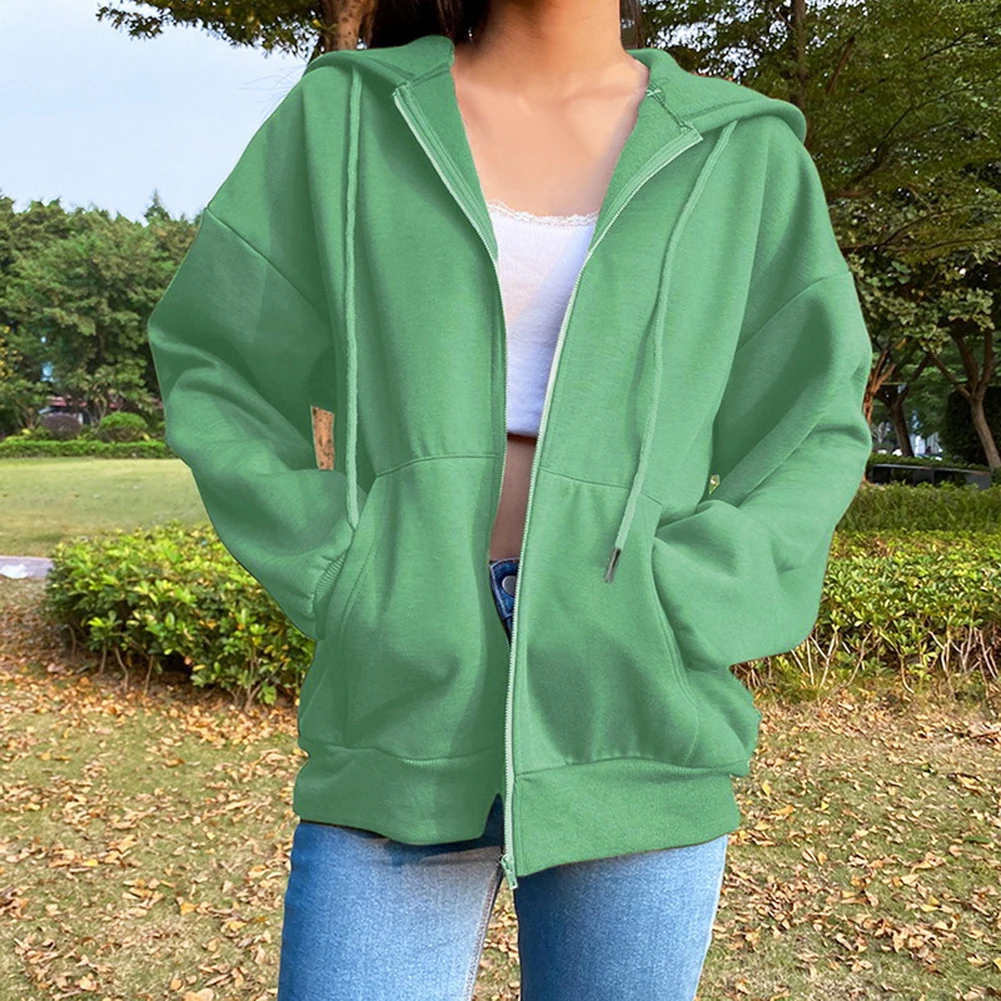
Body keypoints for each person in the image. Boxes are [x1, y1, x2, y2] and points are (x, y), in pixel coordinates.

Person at [145, 0, 874, 996]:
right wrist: (340, 564)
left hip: (633, 706)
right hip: (401, 698)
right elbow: (218, 360)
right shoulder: (346, 119)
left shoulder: (742, 151)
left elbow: (813, 418)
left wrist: (696, 588)